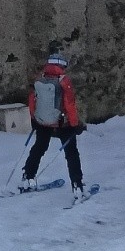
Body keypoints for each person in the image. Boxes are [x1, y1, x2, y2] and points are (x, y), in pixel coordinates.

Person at [19, 54, 87, 199]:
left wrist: (34, 119)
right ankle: (77, 186)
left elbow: (32, 101)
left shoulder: (40, 79)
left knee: (39, 147)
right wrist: (76, 125)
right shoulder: (64, 81)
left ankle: (27, 177)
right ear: (62, 66)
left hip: (42, 122)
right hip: (63, 123)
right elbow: (69, 105)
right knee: (71, 153)